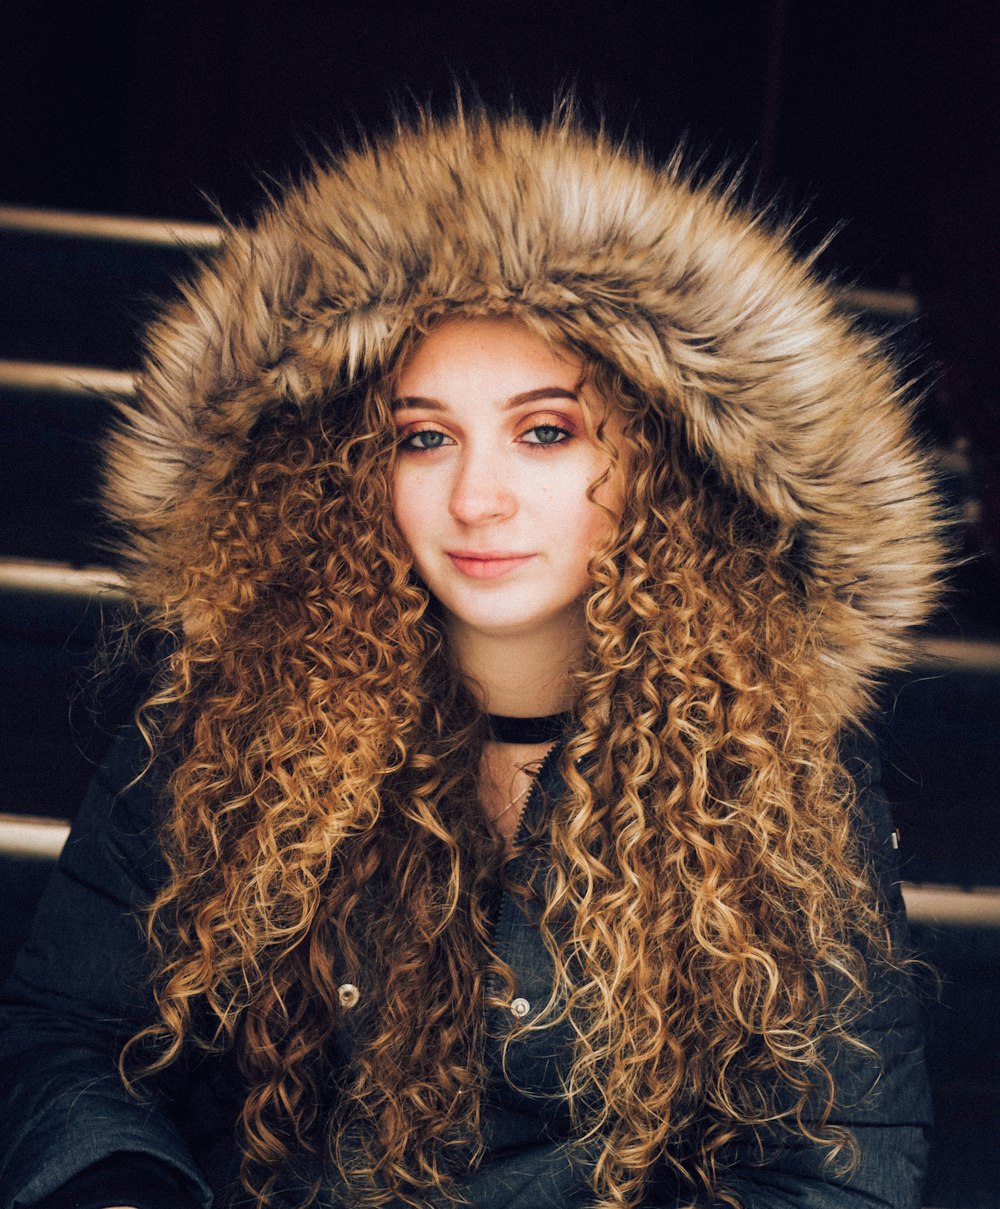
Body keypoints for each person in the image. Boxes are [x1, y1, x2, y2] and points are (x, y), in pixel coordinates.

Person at [0, 107, 945, 1209]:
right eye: (423, 436)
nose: (475, 498)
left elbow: (835, 1161)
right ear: (351, 467)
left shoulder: (773, 763)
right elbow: (69, 1037)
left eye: (546, 431)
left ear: (659, 465)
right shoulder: (231, 711)